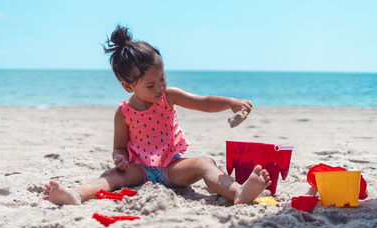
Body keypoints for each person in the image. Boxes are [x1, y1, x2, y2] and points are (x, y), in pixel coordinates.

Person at [43, 25, 271, 205]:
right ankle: (75, 195)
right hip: (139, 170)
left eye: (162, 79)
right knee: (110, 176)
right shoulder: (122, 113)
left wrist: (231, 103)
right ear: (128, 87)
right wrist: (119, 158)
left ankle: (238, 192)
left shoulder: (168, 97)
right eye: (151, 85)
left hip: (172, 168)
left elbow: (202, 102)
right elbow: (119, 147)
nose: (159, 88)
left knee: (205, 162)